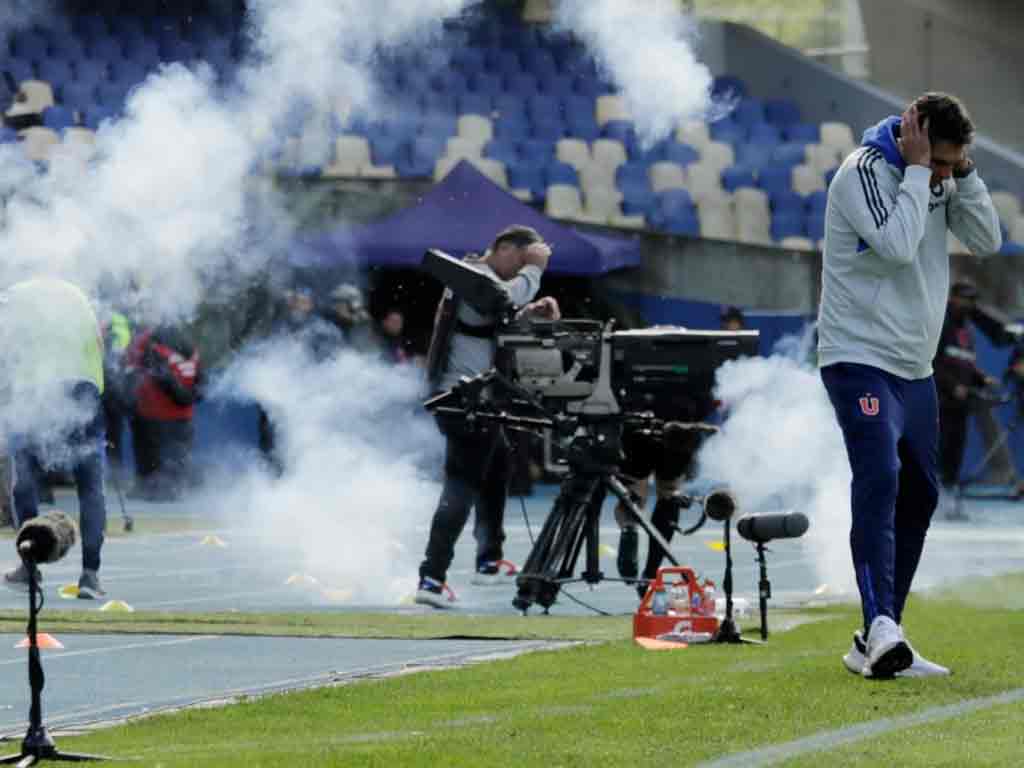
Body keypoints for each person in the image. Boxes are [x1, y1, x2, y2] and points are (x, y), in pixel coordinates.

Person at [817, 93, 1001, 678]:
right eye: (940, 161)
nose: (946, 174)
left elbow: (988, 241)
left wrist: (960, 175)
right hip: (858, 356)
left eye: (954, 163)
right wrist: (921, 173)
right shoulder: (862, 172)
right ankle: (880, 626)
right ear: (911, 137)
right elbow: (896, 248)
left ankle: (876, 640)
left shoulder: (943, 176)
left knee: (921, 492)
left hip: (913, 368)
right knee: (881, 476)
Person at [416, 225, 559, 608]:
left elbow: (498, 319)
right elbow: (499, 301)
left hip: (477, 399)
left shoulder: (483, 280)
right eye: (523, 259)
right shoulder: (475, 275)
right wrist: (535, 271)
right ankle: (431, 578)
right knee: (460, 484)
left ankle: (489, 560)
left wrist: (531, 311)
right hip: (462, 400)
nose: (524, 269)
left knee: (497, 466)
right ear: (505, 249)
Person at [0, 277, 109, 598]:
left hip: (37, 392)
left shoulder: (15, 298)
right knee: (89, 486)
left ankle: (29, 567)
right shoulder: (80, 299)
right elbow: (102, 349)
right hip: (85, 392)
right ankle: (91, 575)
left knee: (24, 479)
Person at [933, 279, 997, 507]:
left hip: (960, 404)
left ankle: (948, 498)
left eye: (972, 300)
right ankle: (932, 498)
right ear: (952, 298)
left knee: (955, 452)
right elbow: (933, 363)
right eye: (965, 299)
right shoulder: (941, 325)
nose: (969, 304)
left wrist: (982, 379)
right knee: (938, 451)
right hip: (939, 402)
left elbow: (966, 363)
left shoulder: (965, 330)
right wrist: (952, 386)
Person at [124, 324, 202, 501]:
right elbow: (201, 383)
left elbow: (162, 378)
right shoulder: (194, 352)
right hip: (182, 414)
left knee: (155, 455)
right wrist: (189, 396)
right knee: (176, 454)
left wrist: (183, 395)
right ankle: (169, 488)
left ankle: (159, 488)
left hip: (157, 412)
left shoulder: (155, 349)